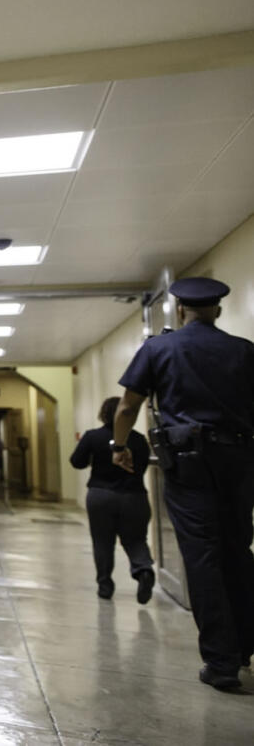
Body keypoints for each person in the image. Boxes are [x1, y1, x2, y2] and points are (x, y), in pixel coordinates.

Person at [112, 276, 254, 692]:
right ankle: (244, 646)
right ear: (219, 311)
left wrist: (119, 446)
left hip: (189, 463)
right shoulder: (244, 351)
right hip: (240, 461)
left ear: (179, 310)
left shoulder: (158, 348)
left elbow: (127, 405)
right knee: (237, 549)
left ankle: (221, 661)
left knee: (202, 554)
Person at [70, 396, 155, 602]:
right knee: (136, 539)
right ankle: (143, 570)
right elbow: (141, 467)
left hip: (101, 495)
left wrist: (94, 458)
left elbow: (76, 462)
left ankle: (105, 585)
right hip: (134, 496)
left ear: (104, 414)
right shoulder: (139, 439)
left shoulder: (92, 437)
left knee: (102, 541)